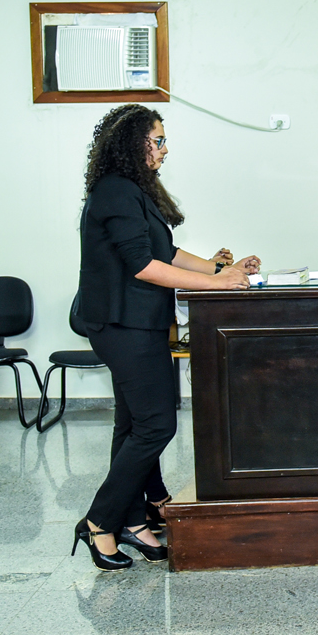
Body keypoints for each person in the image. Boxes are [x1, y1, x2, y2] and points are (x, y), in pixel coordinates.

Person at [72, 105, 261, 570]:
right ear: (133, 144)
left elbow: (167, 252)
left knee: (133, 425)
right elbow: (143, 265)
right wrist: (217, 285)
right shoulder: (116, 190)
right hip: (122, 324)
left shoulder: (132, 189)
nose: (164, 149)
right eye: (157, 140)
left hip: (136, 322)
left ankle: (133, 520)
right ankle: (99, 522)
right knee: (156, 426)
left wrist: (218, 269)